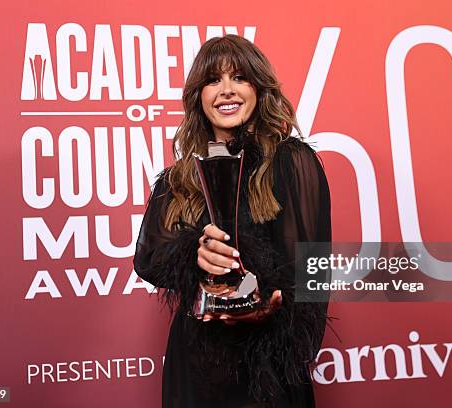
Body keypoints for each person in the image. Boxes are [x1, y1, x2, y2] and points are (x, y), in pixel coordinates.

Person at [133, 34, 331, 408]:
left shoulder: (292, 162)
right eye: (213, 80)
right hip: (196, 369)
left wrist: (266, 310)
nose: (226, 90)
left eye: (239, 78)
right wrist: (194, 254)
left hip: (267, 371)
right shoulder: (178, 179)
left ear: (259, 89)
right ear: (199, 96)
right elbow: (148, 260)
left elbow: (311, 277)